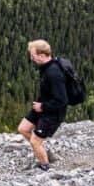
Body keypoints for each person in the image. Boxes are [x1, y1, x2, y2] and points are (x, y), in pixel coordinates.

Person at [18, 39, 67, 171]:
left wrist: (43, 107)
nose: (31, 58)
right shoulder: (45, 68)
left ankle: (45, 167)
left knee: (35, 141)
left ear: (42, 55)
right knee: (23, 128)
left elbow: (62, 100)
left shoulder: (54, 73)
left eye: (32, 55)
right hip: (42, 106)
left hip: (52, 112)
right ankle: (41, 150)